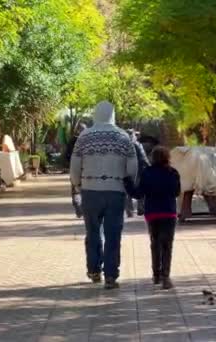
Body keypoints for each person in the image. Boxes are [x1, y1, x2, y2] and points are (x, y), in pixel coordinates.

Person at [70, 101, 138, 290]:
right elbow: (133, 167)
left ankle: (93, 270)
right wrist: (128, 185)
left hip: (90, 190)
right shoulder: (123, 137)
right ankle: (111, 275)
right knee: (113, 233)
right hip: (115, 191)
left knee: (92, 231)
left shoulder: (84, 137)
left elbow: (74, 166)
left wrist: (77, 184)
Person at [124, 146, 180, 290]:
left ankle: (156, 275)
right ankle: (166, 277)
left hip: (153, 213)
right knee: (167, 246)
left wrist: (127, 182)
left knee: (155, 243)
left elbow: (138, 194)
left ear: (153, 158)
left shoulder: (147, 173)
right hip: (168, 213)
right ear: (167, 157)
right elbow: (176, 192)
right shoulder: (173, 173)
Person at [125, 129, 150, 217]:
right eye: (135, 134)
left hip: (127, 170)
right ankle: (140, 208)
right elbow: (143, 158)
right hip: (139, 170)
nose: (136, 136)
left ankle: (130, 211)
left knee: (128, 190)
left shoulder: (123, 145)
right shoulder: (137, 144)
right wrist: (149, 166)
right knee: (141, 189)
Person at [66, 123, 87, 218]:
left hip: (74, 168)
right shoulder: (89, 141)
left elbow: (67, 155)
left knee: (75, 188)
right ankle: (84, 206)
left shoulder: (72, 141)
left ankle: (77, 204)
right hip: (87, 169)